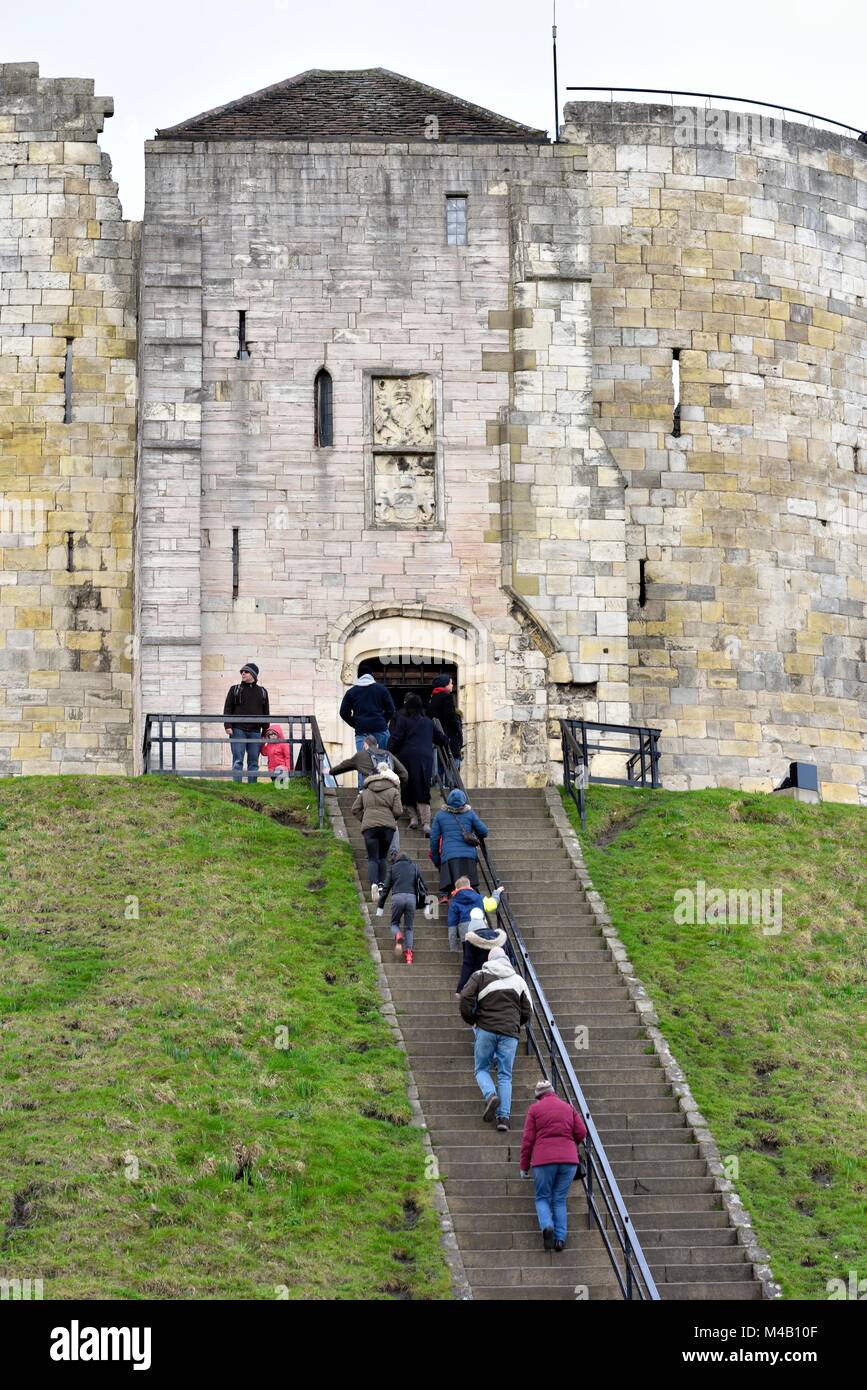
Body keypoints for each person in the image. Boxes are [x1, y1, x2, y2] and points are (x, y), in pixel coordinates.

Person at [459, 945, 531, 1133]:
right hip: (510, 1033)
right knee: (505, 1075)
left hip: (486, 1029)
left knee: (481, 1068)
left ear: (490, 960)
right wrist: (516, 1023)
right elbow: (527, 1010)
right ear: (506, 959)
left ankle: (491, 1095)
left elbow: (465, 996)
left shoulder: (480, 975)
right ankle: (503, 1119)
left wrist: (472, 1019)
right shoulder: (519, 980)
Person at [519, 1078, 588, 1252]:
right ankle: (560, 1240)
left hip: (543, 1161)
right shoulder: (568, 1107)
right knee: (559, 1199)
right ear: (553, 1092)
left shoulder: (535, 1109)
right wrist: (571, 1145)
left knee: (542, 1197)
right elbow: (582, 1131)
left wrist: (524, 1166)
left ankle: (547, 1226)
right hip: (569, 1162)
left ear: (538, 1096)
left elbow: (528, 1140)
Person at [387, 693, 448, 835]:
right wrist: (447, 740)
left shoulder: (403, 721)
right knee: (422, 785)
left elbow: (396, 739)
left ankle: (413, 818)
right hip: (425, 758)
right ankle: (426, 823)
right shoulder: (428, 722)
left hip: (406, 757)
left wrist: (390, 750)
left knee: (407, 786)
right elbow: (440, 738)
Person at [351, 765, 403, 900]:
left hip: (369, 828)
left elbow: (355, 809)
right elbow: (398, 811)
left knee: (373, 857)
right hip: (387, 828)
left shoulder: (365, 792)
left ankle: (373, 883)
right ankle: (381, 884)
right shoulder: (393, 790)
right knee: (383, 857)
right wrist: (390, 818)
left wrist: (365, 819)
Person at [429, 788, 488, 901]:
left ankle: (446, 896)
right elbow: (484, 831)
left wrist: (437, 859)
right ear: (463, 800)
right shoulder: (469, 814)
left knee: (452, 889)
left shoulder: (440, 815)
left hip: (449, 858)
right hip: (468, 857)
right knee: (469, 888)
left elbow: (434, 839)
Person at [339, 670, 395, 786]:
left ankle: (363, 789)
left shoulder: (351, 692)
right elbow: (391, 709)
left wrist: (356, 723)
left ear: (358, 676)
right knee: (383, 759)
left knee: (363, 761)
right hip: (380, 729)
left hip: (362, 731)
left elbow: (343, 712)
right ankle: (384, 787)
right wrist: (382, 721)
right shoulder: (381, 689)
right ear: (372, 675)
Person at [375, 851, 426, 966]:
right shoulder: (414, 867)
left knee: (394, 923)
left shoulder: (393, 868)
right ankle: (408, 955)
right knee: (409, 927)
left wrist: (380, 906)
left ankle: (398, 934)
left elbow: (386, 888)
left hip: (397, 898)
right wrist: (426, 903)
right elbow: (423, 885)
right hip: (411, 898)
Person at [223, 663, 270, 783]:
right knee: (238, 760)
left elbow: (266, 713)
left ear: (253, 675)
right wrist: (227, 725)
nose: (243, 673)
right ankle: (237, 785)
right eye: (242, 672)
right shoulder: (235, 689)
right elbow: (228, 708)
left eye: (246, 671)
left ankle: (253, 786)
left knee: (253, 761)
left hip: (255, 732)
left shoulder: (262, 692)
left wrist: (265, 731)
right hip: (238, 729)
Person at [455, 906, 517, 994]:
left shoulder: (471, 939)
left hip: (480, 980)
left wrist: (460, 988)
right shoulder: (501, 937)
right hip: (501, 979)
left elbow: (468, 964)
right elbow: (512, 960)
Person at [447, 876, 504, 953]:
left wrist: (453, 947)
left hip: (465, 933)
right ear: (469, 886)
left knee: (468, 955)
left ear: (456, 889)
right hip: (481, 930)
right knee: (482, 954)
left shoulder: (454, 903)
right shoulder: (479, 897)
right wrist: (496, 893)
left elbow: (452, 924)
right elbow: (492, 905)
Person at [330, 733, 408, 786]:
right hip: (390, 791)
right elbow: (404, 774)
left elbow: (344, 766)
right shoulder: (388, 754)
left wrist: (331, 771)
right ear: (377, 745)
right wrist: (397, 787)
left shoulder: (360, 756)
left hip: (370, 791)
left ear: (365, 745)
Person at [428, 674, 463, 772]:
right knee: (454, 762)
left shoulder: (432, 698)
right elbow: (450, 716)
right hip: (449, 736)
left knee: (440, 764)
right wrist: (458, 729)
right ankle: (451, 786)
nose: (452, 685)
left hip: (437, 737)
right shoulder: (447, 697)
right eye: (451, 683)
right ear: (445, 684)